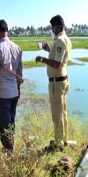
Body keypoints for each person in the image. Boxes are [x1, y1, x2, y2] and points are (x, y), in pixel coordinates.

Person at [35, 15, 72, 151]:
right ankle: (64, 139)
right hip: (62, 80)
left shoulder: (60, 41)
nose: (52, 30)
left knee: (57, 114)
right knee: (62, 112)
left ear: (57, 27)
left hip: (57, 82)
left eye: (52, 27)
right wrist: (48, 49)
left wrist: (42, 59)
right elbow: (57, 57)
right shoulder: (64, 40)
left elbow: (56, 63)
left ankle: (58, 143)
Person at [0, 20, 23, 152]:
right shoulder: (17, 48)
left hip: (2, 96)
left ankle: (9, 153)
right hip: (13, 93)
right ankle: (11, 149)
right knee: (11, 123)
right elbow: (19, 73)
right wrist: (18, 90)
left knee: (3, 126)